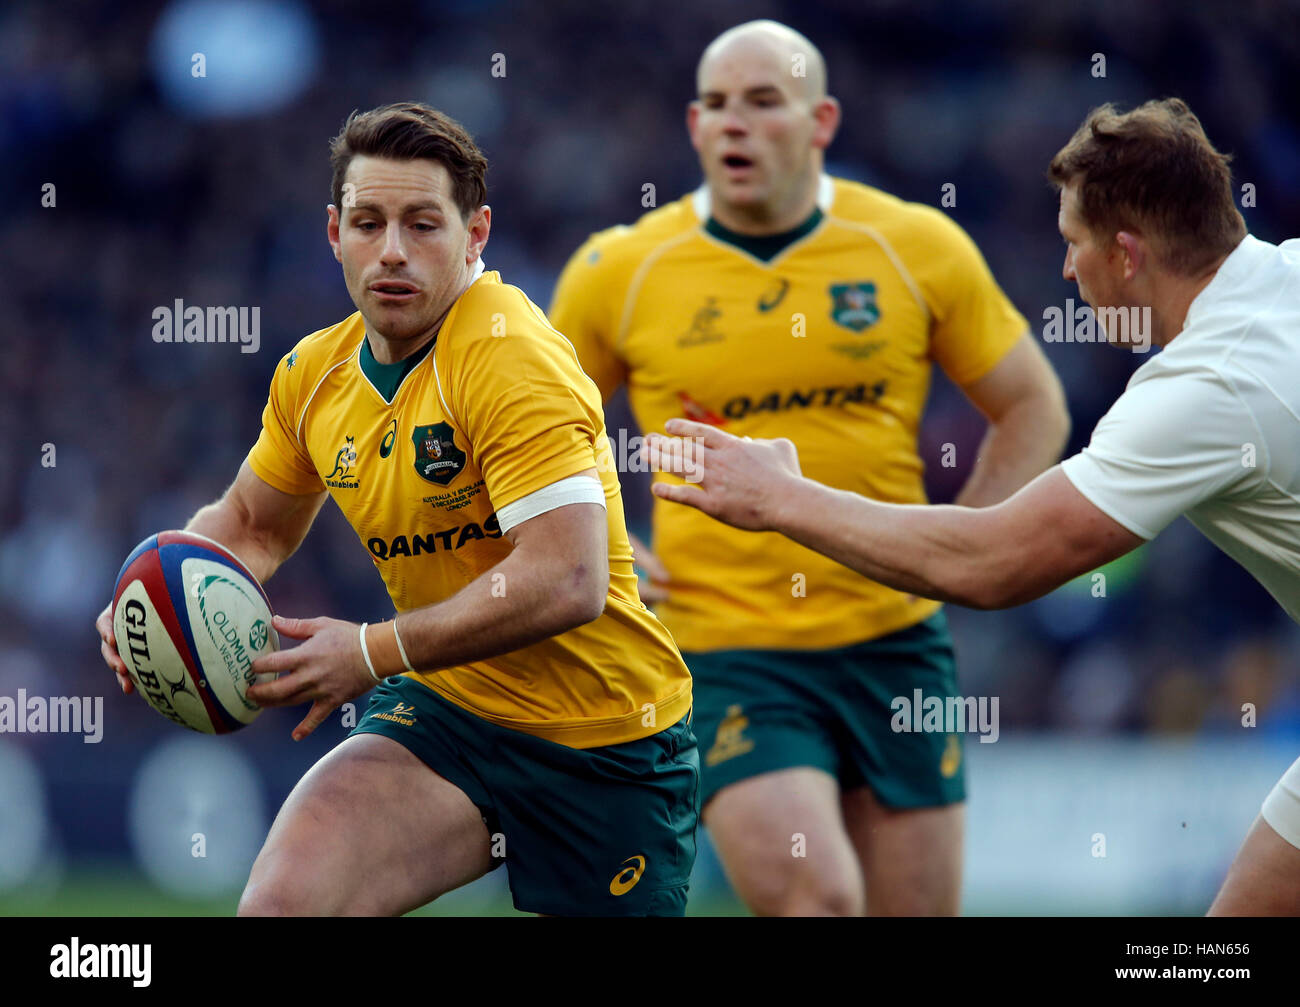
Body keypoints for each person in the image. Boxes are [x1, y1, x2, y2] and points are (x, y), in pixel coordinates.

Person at [645, 97, 1300, 916]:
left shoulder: (1204, 385)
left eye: (1074, 244)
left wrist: (784, 498)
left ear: (1127, 254)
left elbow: (991, 562)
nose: (1067, 272)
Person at [96, 102, 698, 918]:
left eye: (422, 224)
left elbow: (569, 578)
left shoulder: (509, 357)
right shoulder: (315, 373)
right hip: (447, 710)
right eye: (369, 222)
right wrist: (150, 593)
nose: (392, 251)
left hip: (605, 737)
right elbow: (251, 526)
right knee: (283, 907)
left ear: (475, 233)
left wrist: (375, 651)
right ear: (333, 231)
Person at [549, 20, 1069, 915]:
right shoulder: (619, 270)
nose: (734, 125)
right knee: (818, 895)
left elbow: (1034, 407)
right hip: (723, 647)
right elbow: (538, 439)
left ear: (822, 120)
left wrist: (967, 542)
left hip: (897, 642)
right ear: (692, 125)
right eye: (715, 105)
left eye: (763, 102)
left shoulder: (916, 246)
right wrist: (612, 545)